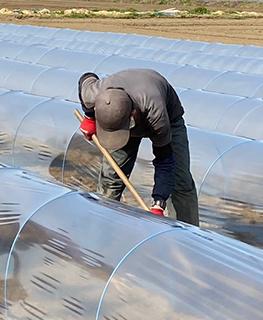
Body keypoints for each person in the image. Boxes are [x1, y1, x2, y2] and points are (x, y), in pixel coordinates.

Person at [78, 69, 199, 226]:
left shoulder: (157, 114)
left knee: (179, 181)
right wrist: (89, 116)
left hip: (167, 118)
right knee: (111, 177)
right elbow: (85, 78)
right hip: (122, 114)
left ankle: (186, 237)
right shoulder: (93, 94)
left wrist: (158, 202)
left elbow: (165, 160)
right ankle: (101, 227)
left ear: (132, 114)